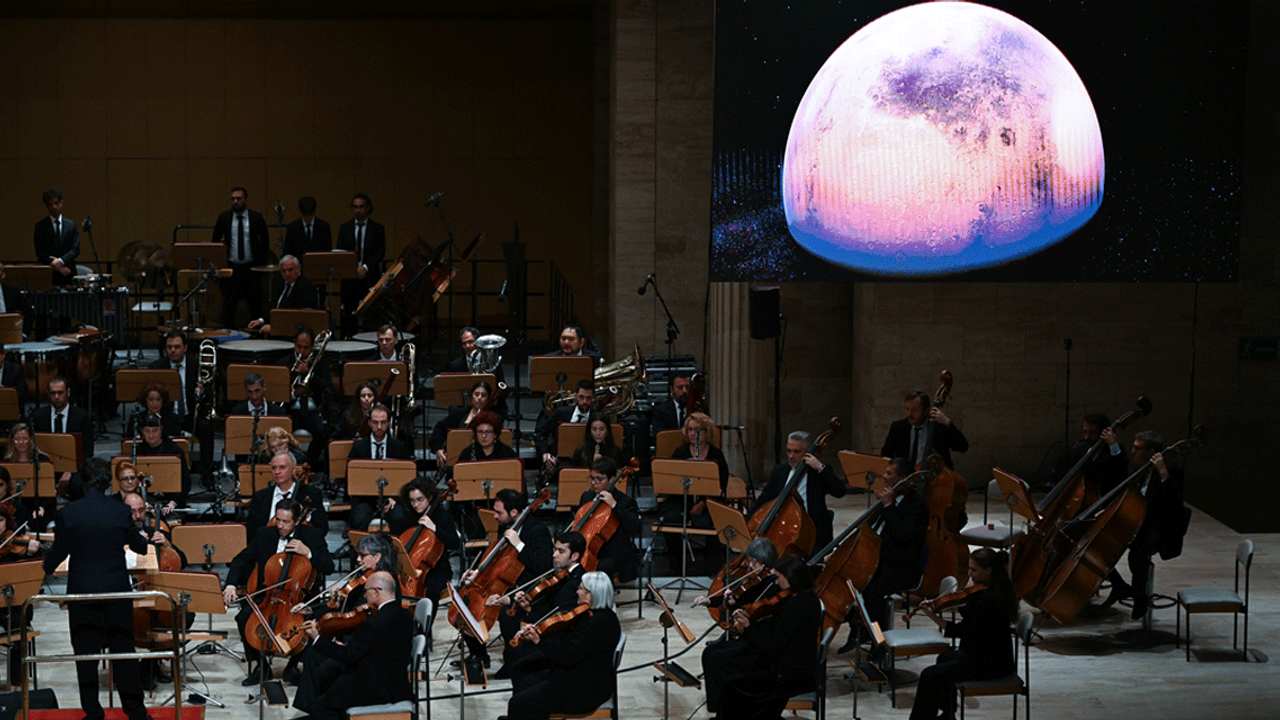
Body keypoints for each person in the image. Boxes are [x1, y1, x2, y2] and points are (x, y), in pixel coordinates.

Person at [42, 457, 150, 720]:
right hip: (115, 590)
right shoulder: (120, 511)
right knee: (123, 650)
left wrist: (46, 564)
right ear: (106, 482)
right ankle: (135, 711)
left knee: (86, 654)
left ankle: (93, 712)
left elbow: (57, 555)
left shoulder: (69, 513)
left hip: (82, 593)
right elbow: (140, 547)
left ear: (85, 481)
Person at [222, 498, 333, 685]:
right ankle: (261, 666)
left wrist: (308, 553)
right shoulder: (265, 534)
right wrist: (231, 584)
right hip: (267, 595)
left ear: (297, 521)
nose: (280, 526)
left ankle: (292, 667)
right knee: (243, 618)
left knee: (308, 622)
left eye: (286, 522)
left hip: (299, 598)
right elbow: (240, 559)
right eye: (278, 520)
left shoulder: (312, 535)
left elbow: (328, 566)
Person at [706, 555, 821, 720]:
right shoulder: (804, 599)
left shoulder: (798, 607)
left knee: (733, 685)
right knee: (730, 673)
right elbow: (776, 633)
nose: (775, 582)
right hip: (785, 663)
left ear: (791, 579)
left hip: (787, 674)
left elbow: (772, 647)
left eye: (779, 578)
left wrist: (748, 628)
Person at [909, 548, 1019, 720]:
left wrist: (933, 616)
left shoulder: (989, 600)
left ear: (988, 571)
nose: (969, 574)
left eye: (973, 570)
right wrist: (940, 604)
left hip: (989, 664)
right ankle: (948, 714)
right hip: (989, 656)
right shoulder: (992, 589)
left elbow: (959, 631)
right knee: (944, 658)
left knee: (929, 675)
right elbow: (968, 611)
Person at [837, 457, 928, 655]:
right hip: (877, 559)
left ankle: (877, 642)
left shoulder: (916, 504)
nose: (884, 477)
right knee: (850, 580)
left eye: (889, 474)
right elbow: (869, 530)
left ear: (903, 478)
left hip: (900, 566)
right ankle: (857, 630)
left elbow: (902, 535)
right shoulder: (889, 497)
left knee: (871, 590)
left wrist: (888, 507)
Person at [295, 571, 412, 720]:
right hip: (396, 683)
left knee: (320, 705)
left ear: (376, 592)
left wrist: (317, 638)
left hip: (375, 687)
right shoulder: (406, 615)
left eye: (366, 591)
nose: (364, 596)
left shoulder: (373, 623)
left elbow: (347, 656)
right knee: (329, 674)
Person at [457, 487, 553, 670]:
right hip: (507, 581)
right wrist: (477, 572)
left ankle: (512, 662)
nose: (494, 516)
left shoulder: (537, 530)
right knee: (466, 603)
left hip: (527, 587)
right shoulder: (507, 525)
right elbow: (498, 559)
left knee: (506, 613)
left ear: (514, 512)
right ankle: (479, 654)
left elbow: (544, 566)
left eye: (499, 512)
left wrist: (520, 545)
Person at [505, 571, 621, 720]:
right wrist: (540, 631)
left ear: (593, 594)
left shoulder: (598, 622)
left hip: (584, 689)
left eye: (581, 589)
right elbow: (568, 640)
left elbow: (568, 655)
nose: (577, 592)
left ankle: (522, 712)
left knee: (518, 703)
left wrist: (539, 641)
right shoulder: (596, 615)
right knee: (522, 670)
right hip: (579, 675)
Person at [1109, 430, 1189, 619]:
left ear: (1151, 451)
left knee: (1137, 555)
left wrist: (1162, 472)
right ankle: (1119, 585)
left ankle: (1140, 599)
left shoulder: (1170, 469)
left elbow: (1174, 502)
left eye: (1137, 448)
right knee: (1104, 543)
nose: (1133, 451)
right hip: (1140, 522)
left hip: (1161, 526)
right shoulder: (1140, 468)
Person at [752, 430, 848, 550]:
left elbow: (840, 491)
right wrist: (747, 524)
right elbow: (764, 499)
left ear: (807, 453)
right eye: (789, 451)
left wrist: (820, 467)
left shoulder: (817, 473)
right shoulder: (780, 471)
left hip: (811, 532)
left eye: (796, 452)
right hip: (782, 529)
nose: (791, 456)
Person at [385, 476, 460, 606]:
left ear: (430, 497)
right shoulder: (410, 517)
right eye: (412, 501)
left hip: (437, 569)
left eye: (420, 500)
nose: (416, 505)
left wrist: (435, 529)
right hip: (411, 568)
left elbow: (455, 543)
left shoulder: (443, 517)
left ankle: (426, 625)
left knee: (431, 590)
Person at [575, 456, 640, 583]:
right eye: (592, 478)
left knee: (603, 566)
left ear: (611, 479)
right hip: (589, 548)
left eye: (599, 479)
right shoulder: (587, 496)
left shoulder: (624, 501)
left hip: (613, 552)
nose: (594, 483)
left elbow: (635, 528)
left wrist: (614, 506)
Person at [347, 404, 412, 530]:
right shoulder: (358, 447)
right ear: (370, 423)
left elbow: (407, 478)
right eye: (375, 423)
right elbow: (351, 478)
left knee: (400, 518)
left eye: (383, 422)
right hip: (366, 498)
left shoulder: (400, 447)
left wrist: (395, 498)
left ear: (389, 423)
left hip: (392, 497)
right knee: (359, 520)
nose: (379, 427)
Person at [212, 186, 270, 328]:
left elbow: (264, 240)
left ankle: (257, 338)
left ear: (245, 200)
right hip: (232, 267)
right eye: (233, 199)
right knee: (229, 305)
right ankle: (228, 338)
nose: (235, 202)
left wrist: (260, 262)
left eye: (239, 199)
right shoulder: (224, 217)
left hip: (251, 268)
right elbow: (215, 240)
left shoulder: (256, 217)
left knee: (255, 304)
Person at [277, 326, 334, 468]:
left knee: (323, 431)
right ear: (294, 343)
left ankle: (308, 465)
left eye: (306, 348)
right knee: (281, 433)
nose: (302, 352)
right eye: (299, 347)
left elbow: (328, 388)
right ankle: (288, 465)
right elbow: (277, 394)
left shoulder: (321, 362)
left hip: (312, 410)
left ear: (313, 347)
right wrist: (294, 394)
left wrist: (310, 373)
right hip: (292, 410)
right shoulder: (284, 362)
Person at [246, 451, 328, 542]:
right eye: (274, 468)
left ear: (293, 470)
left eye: (282, 467)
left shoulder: (312, 494)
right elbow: (251, 531)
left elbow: (322, 529)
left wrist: (307, 516)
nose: (277, 472)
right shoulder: (260, 496)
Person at [336, 193, 386, 336]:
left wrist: (365, 268)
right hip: (350, 278)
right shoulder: (345, 228)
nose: (358, 210)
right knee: (349, 316)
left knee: (370, 317)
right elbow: (340, 251)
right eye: (355, 207)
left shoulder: (377, 228)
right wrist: (352, 269)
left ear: (368, 208)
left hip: (369, 276)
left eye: (361, 207)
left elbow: (380, 253)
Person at [880, 390, 969, 469]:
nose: (909, 414)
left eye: (914, 410)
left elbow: (962, 447)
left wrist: (947, 423)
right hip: (905, 479)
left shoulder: (938, 428)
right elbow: (886, 454)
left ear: (926, 410)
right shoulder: (898, 427)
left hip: (934, 479)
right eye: (907, 409)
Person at [248, 255, 321, 335]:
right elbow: (277, 311)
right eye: (283, 271)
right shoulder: (282, 285)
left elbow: (297, 316)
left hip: (295, 333)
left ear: (298, 269)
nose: (287, 273)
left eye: (290, 270)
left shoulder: (306, 287)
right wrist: (261, 320)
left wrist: (275, 326)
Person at [429, 379, 497, 465]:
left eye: (483, 395)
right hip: (457, 459)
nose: (479, 398)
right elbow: (440, 428)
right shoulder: (459, 414)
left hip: (483, 460)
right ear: (472, 396)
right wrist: (438, 449)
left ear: (488, 399)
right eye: (476, 394)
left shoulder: (493, 418)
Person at [535, 379, 595, 472]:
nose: (584, 401)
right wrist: (545, 453)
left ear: (593, 398)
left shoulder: (596, 417)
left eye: (588, 398)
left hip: (588, 459)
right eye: (581, 397)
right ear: (575, 396)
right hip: (562, 460)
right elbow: (541, 432)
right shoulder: (562, 413)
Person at [448, 326, 509, 416]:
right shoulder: (455, 365)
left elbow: (502, 387)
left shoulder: (492, 362)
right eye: (464, 344)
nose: (467, 346)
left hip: (491, 406)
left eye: (470, 342)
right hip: (466, 407)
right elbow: (453, 393)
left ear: (478, 342)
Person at [133, 414, 192, 505]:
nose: (151, 435)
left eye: (155, 431)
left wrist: (175, 502)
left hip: (171, 499)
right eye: (147, 431)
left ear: (161, 430)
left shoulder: (174, 450)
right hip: (145, 500)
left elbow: (185, 481)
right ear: (141, 431)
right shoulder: (137, 452)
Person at [33, 188, 80, 286]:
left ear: (61, 203)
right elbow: (40, 251)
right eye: (50, 204)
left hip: (68, 272)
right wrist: (57, 266)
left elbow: (75, 249)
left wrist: (61, 261)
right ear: (46, 205)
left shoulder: (71, 225)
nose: (54, 207)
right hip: (49, 273)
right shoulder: (40, 226)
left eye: (56, 203)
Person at [34, 376, 92, 441]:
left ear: (68, 392)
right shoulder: (39, 416)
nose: (56, 397)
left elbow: (87, 446)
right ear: (48, 394)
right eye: (53, 393)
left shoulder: (81, 417)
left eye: (60, 393)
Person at [652, 370, 700, 434]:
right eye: (680, 387)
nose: (684, 391)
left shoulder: (699, 408)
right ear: (671, 389)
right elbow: (660, 437)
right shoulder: (661, 411)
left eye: (687, 387)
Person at [0, 344, 29, 412]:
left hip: (9, 410)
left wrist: (5, 391)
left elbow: (23, 396)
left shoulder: (16, 370)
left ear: (3, 354)